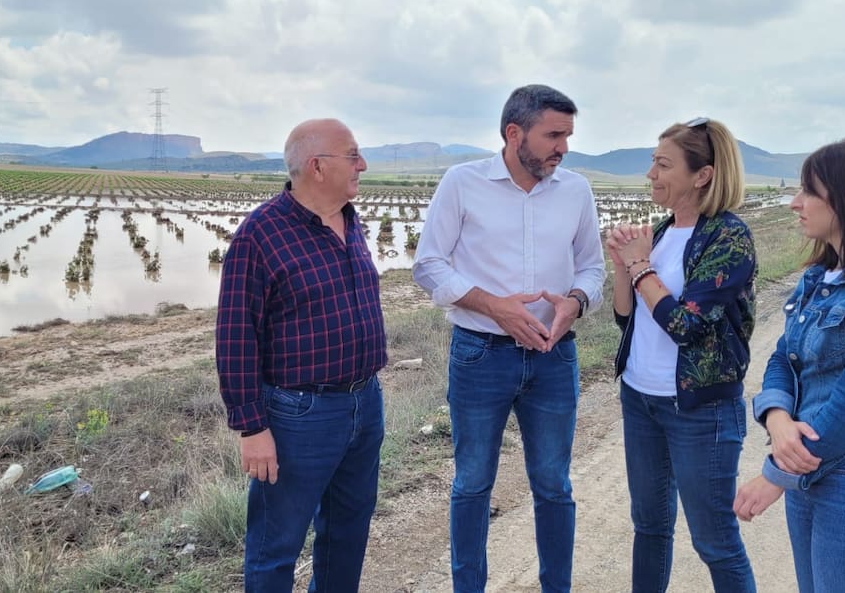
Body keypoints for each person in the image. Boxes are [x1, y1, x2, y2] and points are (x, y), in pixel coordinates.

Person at [412, 84, 605, 593]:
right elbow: (429, 265)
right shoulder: (462, 182)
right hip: (480, 355)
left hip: (553, 354)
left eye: (568, 135)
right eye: (554, 135)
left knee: (553, 485)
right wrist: (493, 305)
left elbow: (591, 269)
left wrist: (575, 303)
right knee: (473, 484)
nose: (563, 147)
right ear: (513, 133)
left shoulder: (576, 190)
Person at [215, 118, 387, 592]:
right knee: (276, 546)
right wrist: (252, 427)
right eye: (353, 156)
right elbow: (235, 337)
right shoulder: (260, 236)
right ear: (317, 166)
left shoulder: (351, 221)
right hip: (298, 416)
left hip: (364, 403)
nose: (362, 165)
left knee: (348, 532)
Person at [607, 117, 757, 591]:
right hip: (641, 397)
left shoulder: (728, 239)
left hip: (700, 409)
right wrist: (624, 267)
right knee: (649, 527)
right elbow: (627, 318)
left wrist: (639, 266)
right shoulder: (664, 230)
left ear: (703, 175)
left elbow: (686, 326)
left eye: (663, 164)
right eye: (652, 162)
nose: (651, 173)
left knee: (715, 541)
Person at [733, 138, 845, 592]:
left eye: (808, 192)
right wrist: (779, 420)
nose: (795, 203)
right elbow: (784, 356)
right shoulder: (817, 279)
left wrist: (776, 475)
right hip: (809, 470)